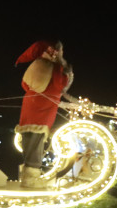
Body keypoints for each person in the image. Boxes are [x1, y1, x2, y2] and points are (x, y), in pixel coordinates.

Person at [14, 40, 73, 188]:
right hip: (44, 107)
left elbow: (24, 84)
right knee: (37, 139)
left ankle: (27, 174)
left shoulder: (36, 64)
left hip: (29, 104)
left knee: (28, 138)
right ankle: (31, 178)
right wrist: (66, 71)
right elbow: (60, 86)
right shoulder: (55, 68)